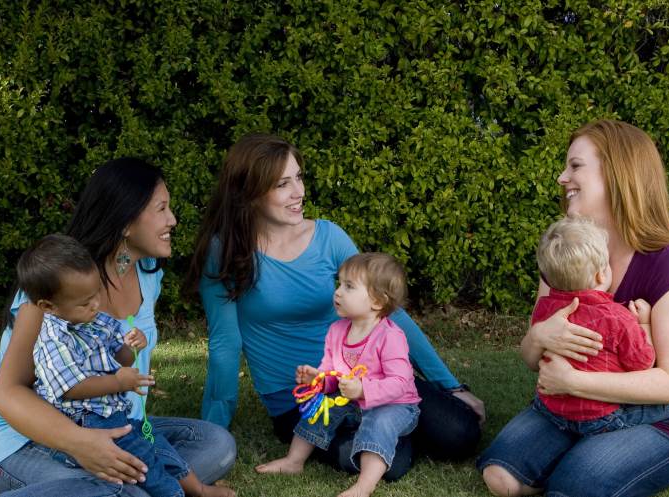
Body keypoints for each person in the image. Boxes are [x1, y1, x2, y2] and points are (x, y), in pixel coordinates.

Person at [184, 133, 483, 479]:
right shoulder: (226, 252)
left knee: (462, 433)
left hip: (366, 377)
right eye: (283, 184)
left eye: (299, 177)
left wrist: (451, 387)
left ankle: (386, 426)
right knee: (387, 464)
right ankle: (386, 434)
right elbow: (225, 343)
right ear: (249, 193)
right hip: (300, 399)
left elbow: (386, 311)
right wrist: (212, 431)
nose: (299, 193)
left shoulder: (329, 237)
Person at [0, 158, 236, 497]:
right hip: (28, 441)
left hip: (112, 421)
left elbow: (122, 346)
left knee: (216, 443)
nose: (172, 219)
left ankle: (102, 485)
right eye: (161, 209)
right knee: (121, 493)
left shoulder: (146, 274)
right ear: (126, 221)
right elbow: (8, 395)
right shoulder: (55, 285)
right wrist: (82, 443)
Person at [478, 119, 669, 496]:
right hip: (569, 409)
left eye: (575, 166)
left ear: (617, 174)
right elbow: (533, 359)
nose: (562, 177)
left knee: (578, 485)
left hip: (648, 415)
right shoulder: (565, 253)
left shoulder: (667, 264)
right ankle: (580, 450)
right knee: (501, 473)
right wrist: (537, 336)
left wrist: (574, 381)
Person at [19, 234, 224, 497]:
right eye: (85, 302)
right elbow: (71, 388)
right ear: (49, 306)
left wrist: (132, 346)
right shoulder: (53, 339)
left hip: (116, 413)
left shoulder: (95, 320)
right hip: (86, 424)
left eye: (96, 295)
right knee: (142, 461)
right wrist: (118, 382)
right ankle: (171, 492)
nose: (95, 305)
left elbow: (120, 358)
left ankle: (196, 488)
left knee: (154, 444)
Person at [529, 217, 669, 460]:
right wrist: (644, 324)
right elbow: (643, 362)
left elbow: (535, 354)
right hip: (599, 416)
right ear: (601, 275)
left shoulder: (546, 310)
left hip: (555, 409)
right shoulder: (615, 317)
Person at [256, 253, 421, 497]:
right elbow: (331, 372)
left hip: (395, 405)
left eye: (349, 287)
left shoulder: (390, 336)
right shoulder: (337, 330)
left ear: (376, 301)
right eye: (339, 284)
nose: (338, 292)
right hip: (352, 399)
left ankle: (363, 487)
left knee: (379, 422)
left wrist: (364, 390)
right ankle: (294, 461)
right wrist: (318, 380)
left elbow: (400, 383)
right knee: (319, 407)